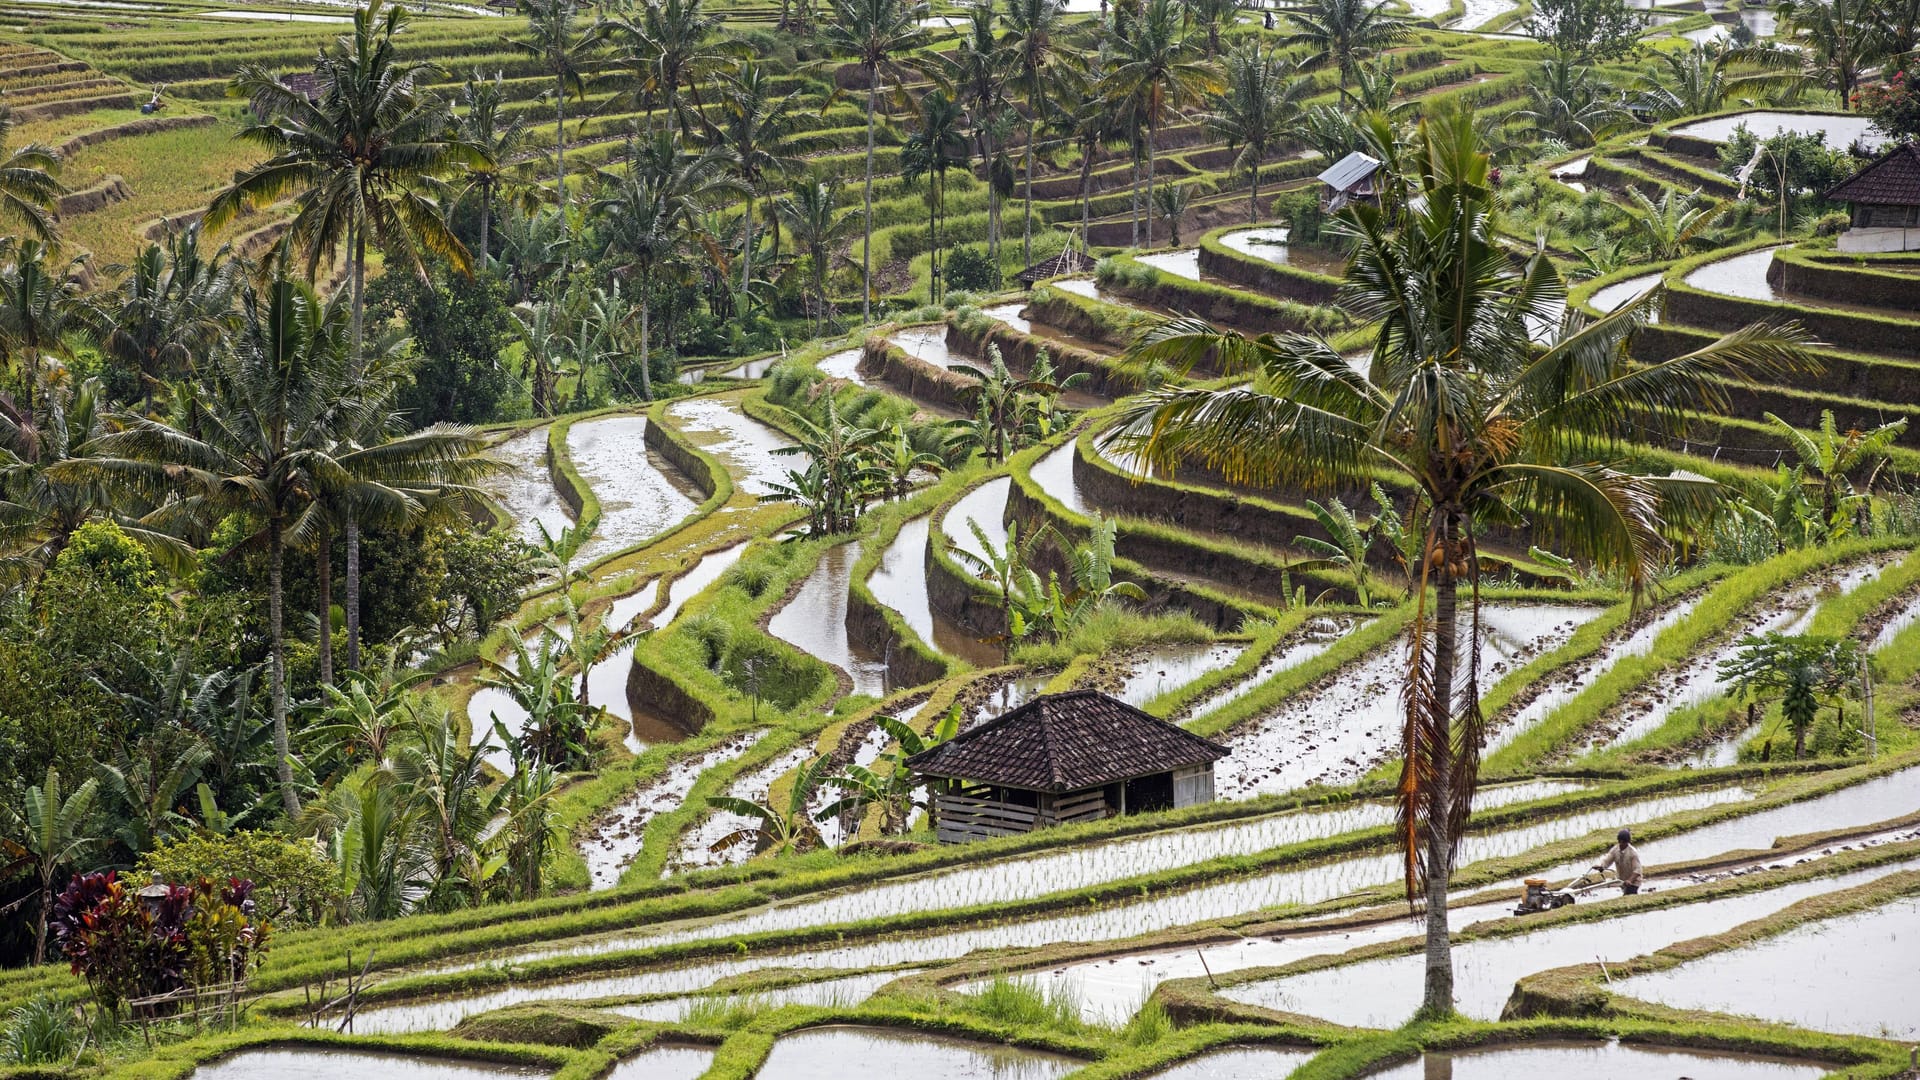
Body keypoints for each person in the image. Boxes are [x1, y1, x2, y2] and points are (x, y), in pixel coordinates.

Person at [1593, 828, 1643, 895]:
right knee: (1627, 895)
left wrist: (1630, 880)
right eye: (1620, 841)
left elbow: (1637, 870)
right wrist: (1601, 866)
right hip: (1622, 880)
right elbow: (1608, 859)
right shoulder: (1615, 849)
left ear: (1627, 842)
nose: (1621, 843)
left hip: (1634, 881)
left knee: (1629, 896)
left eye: (1623, 842)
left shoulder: (1633, 853)